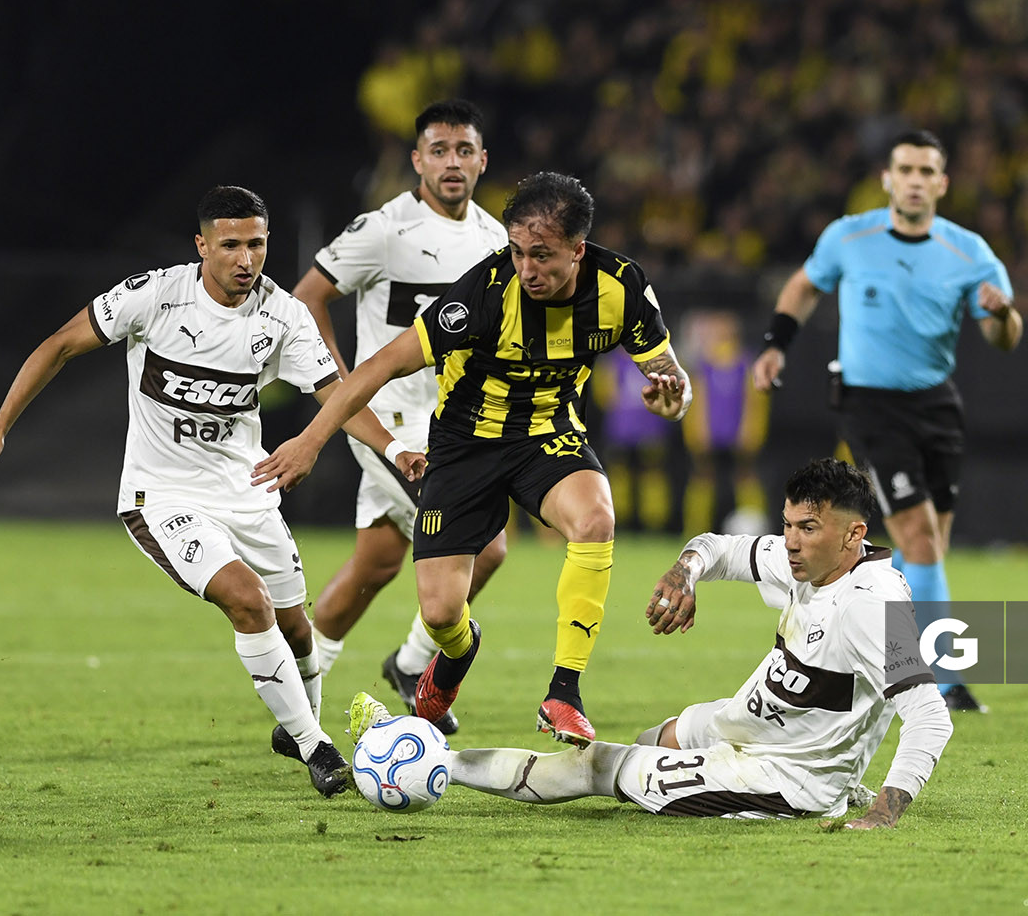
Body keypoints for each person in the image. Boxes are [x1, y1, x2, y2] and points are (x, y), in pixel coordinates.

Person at [0, 187, 411, 797]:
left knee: (298, 631)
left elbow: (340, 396)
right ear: (201, 246)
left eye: (257, 244)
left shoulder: (284, 317)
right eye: (230, 245)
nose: (246, 259)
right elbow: (59, 344)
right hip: (161, 495)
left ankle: (297, 723)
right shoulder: (155, 296)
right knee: (248, 601)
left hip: (247, 490)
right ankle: (314, 746)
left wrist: (397, 449)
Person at [253, 172, 692, 747]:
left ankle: (564, 693)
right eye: (517, 251)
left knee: (596, 519)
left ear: (578, 250)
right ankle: (458, 651)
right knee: (439, 613)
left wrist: (674, 398)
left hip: (547, 435)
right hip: (464, 446)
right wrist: (311, 439)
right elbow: (382, 364)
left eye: (542, 255)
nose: (527, 268)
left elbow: (671, 379)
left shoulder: (623, 287)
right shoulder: (483, 292)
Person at [347, 458, 954, 825]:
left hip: (780, 774)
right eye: (789, 525)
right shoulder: (809, 564)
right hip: (753, 722)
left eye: (808, 529)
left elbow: (929, 717)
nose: (791, 542)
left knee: (594, 767)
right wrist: (685, 571)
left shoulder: (875, 607)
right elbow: (718, 547)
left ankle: (432, 764)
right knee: (652, 740)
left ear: (855, 535)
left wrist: (885, 809)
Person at [752, 129, 1022, 714]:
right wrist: (777, 344)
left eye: (928, 171)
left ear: (942, 183)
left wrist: (1004, 318)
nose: (916, 180)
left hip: (936, 403)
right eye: (907, 169)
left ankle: (855, 637)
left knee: (929, 547)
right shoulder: (850, 235)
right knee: (921, 537)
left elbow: (1005, 337)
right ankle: (936, 681)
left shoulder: (969, 252)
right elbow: (803, 286)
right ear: (888, 178)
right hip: (868, 402)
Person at [291, 99, 508, 734]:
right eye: (438, 151)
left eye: (463, 150)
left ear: (482, 160)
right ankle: (416, 667)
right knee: (487, 544)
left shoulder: (496, 238)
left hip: (456, 420)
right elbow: (308, 298)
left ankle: (299, 703)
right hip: (388, 419)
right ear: (416, 160)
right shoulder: (384, 229)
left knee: (376, 565)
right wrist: (338, 387)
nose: (451, 162)